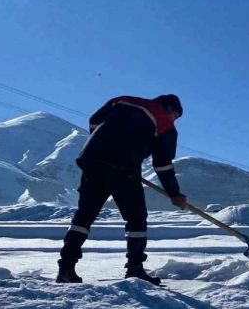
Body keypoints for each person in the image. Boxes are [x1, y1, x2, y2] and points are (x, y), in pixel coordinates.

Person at [57, 94, 187, 285]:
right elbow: (163, 165)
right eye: (176, 116)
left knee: (84, 216)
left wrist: (104, 147)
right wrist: (174, 194)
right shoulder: (165, 123)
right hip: (124, 167)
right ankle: (135, 268)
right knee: (136, 218)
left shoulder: (123, 100)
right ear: (172, 110)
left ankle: (66, 268)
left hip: (92, 160)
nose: (175, 120)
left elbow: (94, 120)